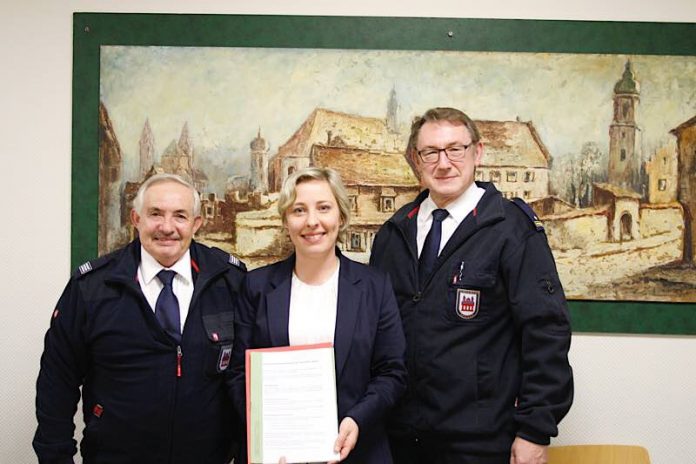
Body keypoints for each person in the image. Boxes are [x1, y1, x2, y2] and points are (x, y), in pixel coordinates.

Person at [369, 107, 573, 464]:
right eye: (430, 152)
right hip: (400, 437)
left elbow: (546, 332)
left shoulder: (511, 230)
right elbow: (376, 335)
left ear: (477, 153)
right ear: (417, 160)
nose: (443, 163)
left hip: (480, 442)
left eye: (455, 149)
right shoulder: (393, 233)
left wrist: (534, 430)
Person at [33, 173, 246, 463]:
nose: (167, 227)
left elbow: (245, 377)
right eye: (155, 214)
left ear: (196, 223)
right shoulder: (92, 288)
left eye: (180, 216)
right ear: (136, 218)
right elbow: (56, 382)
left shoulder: (229, 281)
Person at [230, 167, 406, 463]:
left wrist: (357, 420)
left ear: (341, 216)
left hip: (360, 452)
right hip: (280, 456)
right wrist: (266, 431)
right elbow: (238, 375)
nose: (312, 221)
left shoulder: (375, 286)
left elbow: (393, 372)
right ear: (286, 221)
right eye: (299, 210)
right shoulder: (256, 287)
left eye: (323, 208)